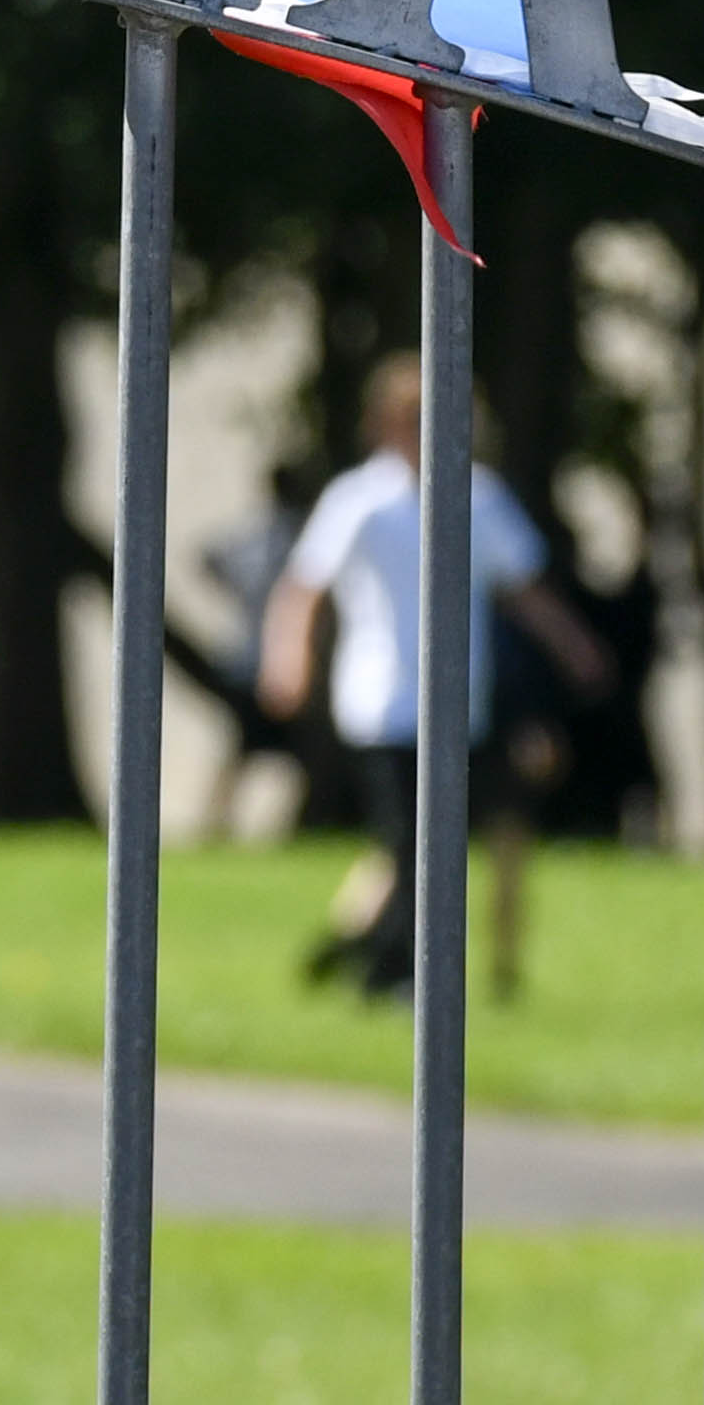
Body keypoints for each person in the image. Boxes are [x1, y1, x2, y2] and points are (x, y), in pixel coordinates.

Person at [252, 352, 611, 1003]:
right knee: (414, 849)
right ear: (388, 423)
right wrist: (286, 659)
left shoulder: (481, 496)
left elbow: (524, 589)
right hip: (381, 702)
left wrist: (575, 648)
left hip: (457, 705)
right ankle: (390, 975)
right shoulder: (359, 499)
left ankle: (367, 958)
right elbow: (302, 588)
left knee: (428, 847)